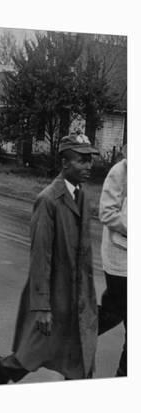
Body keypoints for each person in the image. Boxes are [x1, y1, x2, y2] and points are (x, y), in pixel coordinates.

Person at [0, 133, 99, 384]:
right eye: (82, 161)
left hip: (78, 295)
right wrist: (42, 307)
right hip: (54, 296)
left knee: (79, 358)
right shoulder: (48, 200)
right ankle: (5, 368)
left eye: (90, 160)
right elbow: (40, 257)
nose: (89, 166)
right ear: (65, 163)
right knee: (34, 352)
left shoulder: (82, 196)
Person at [97, 149, 127, 376]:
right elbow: (107, 213)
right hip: (120, 262)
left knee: (112, 312)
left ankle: (68, 335)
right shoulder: (121, 171)